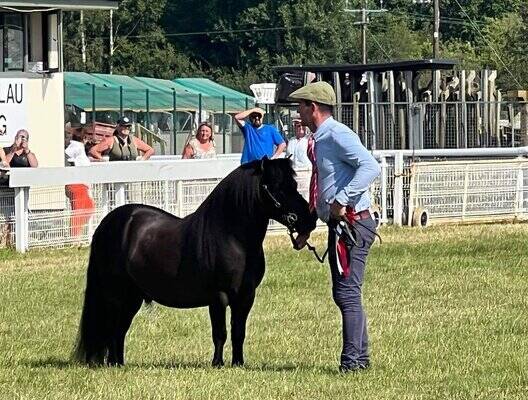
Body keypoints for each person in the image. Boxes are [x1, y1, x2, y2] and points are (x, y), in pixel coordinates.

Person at [290, 81, 381, 373]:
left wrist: (343, 199)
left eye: (301, 106)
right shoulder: (321, 139)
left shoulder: (338, 135)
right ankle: (359, 359)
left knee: (347, 293)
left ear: (313, 107)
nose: (298, 112)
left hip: (352, 223)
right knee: (345, 292)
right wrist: (310, 226)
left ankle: (353, 363)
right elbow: (325, 187)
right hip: (341, 224)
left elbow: (370, 167)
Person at [65, 129, 95, 237]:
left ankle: (76, 236)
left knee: (86, 208)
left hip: (81, 183)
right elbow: (66, 155)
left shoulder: (79, 148)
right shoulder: (76, 146)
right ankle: (74, 237)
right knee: (81, 211)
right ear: (84, 137)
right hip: (77, 183)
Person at [89, 116, 154, 161]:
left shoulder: (134, 140)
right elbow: (93, 151)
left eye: (128, 126)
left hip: (133, 173)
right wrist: (102, 160)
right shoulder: (111, 140)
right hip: (116, 173)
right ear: (118, 127)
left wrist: (142, 159)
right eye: (123, 126)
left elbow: (150, 150)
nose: (126, 128)